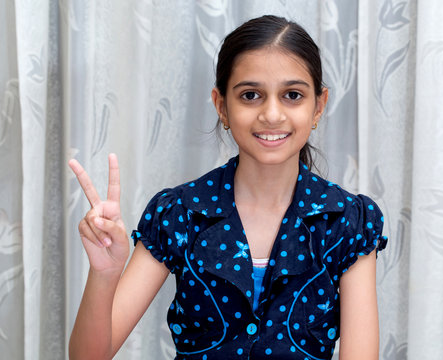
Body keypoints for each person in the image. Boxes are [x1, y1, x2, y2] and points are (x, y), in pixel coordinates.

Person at [68, 15, 387, 360]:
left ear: (318, 106)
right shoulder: (179, 213)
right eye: (251, 95)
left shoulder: (348, 222)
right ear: (222, 106)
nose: (272, 114)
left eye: (292, 95)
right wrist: (105, 274)